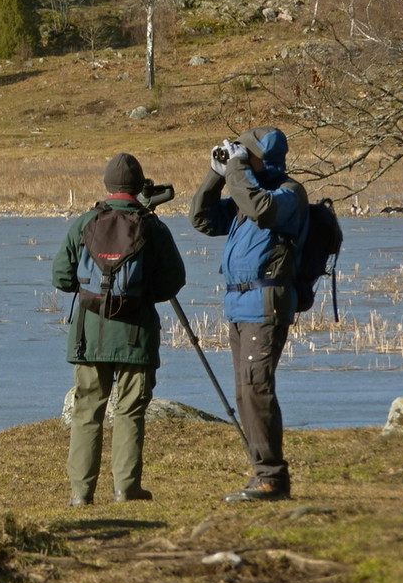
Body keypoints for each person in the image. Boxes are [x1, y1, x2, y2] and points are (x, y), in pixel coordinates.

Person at [53, 153, 186, 506]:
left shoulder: (84, 223)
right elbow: (175, 280)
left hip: (89, 335)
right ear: (138, 185)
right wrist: (140, 296)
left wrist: (94, 293)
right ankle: (126, 488)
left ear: (107, 186)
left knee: (87, 411)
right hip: (136, 335)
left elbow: (61, 277)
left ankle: (81, 494)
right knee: (129, 411)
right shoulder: (152, 226)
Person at [189, 126, 308, 502]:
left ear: (264, 158)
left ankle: (272, 477)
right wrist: (215, 174)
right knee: (245, 391)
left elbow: (261, 209)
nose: (242, 155)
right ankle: (263, 473)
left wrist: (237, 170)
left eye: (248, 152)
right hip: (239, 304)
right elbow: (203, 220)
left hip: (265, 301)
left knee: (256, 388)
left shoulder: (288, 194)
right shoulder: (246, 192)